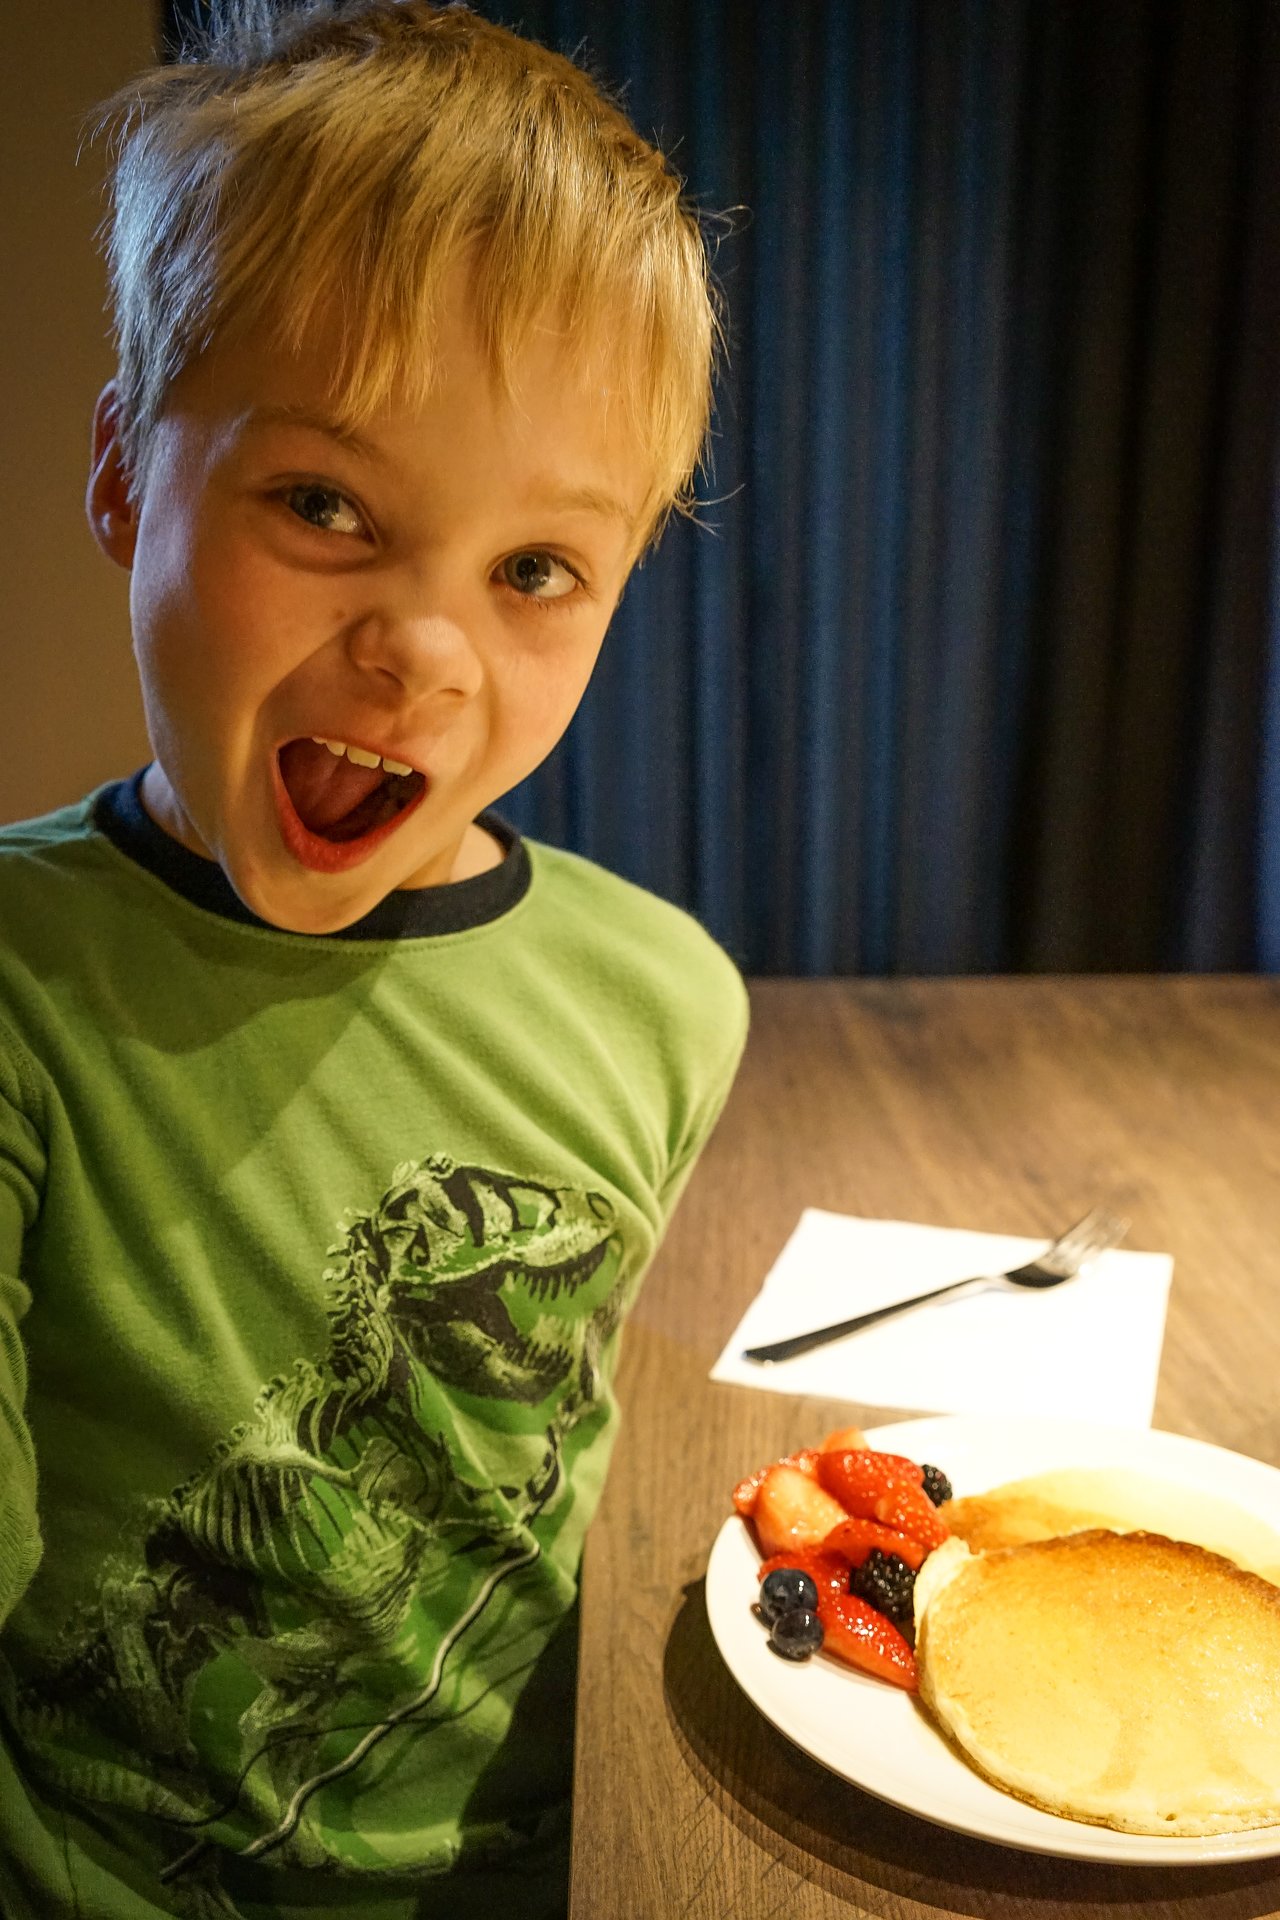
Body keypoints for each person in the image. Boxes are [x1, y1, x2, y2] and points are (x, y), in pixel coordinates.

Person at [0, 4, 748, 1914]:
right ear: (122, 479)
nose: (426, 651)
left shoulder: (668, 1006)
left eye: (534, 571)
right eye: (325, 505)